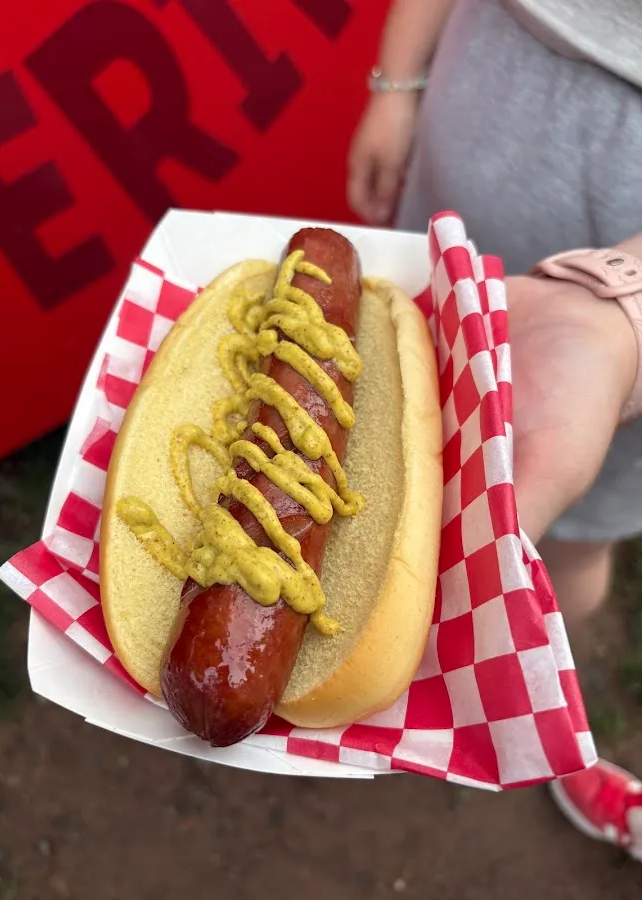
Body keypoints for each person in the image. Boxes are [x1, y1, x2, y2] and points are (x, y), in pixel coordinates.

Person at [347, 0, 642, 859]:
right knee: (391, 441)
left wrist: (618, 309)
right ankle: (382, 666)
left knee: (568, 533)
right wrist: (397, 85)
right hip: (475, 96)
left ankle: (522, 691)